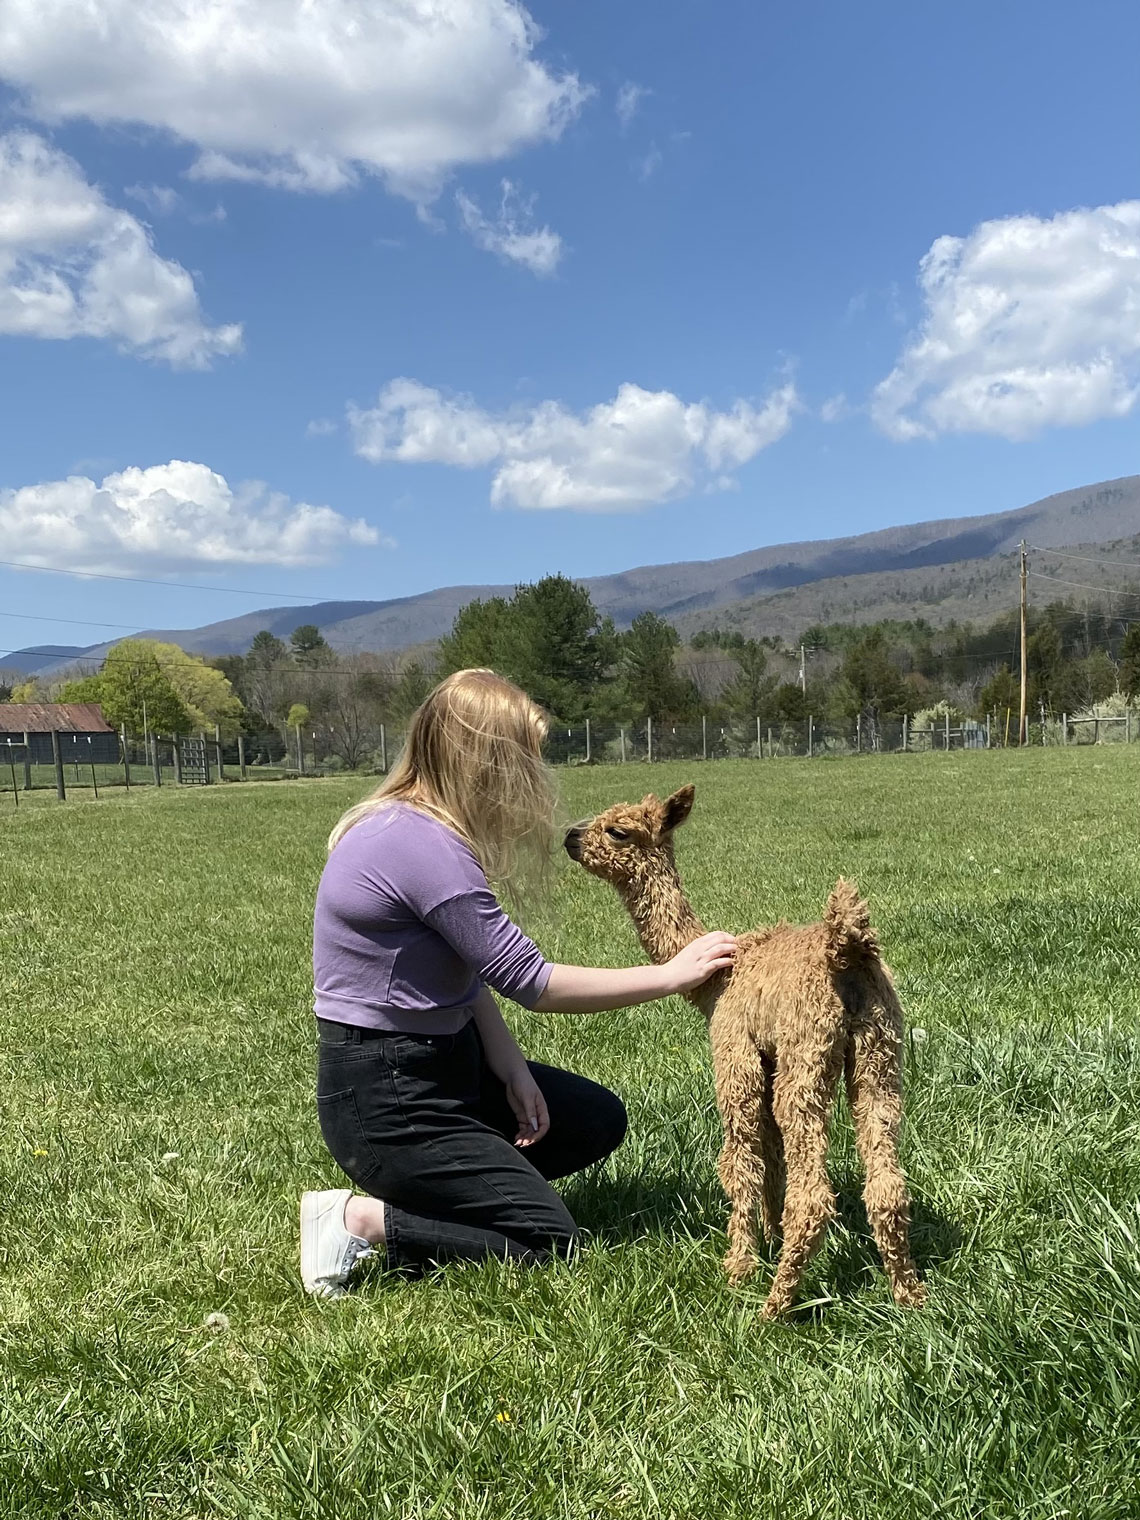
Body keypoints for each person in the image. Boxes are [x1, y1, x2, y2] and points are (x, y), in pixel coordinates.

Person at [301, 668, 737, 1298]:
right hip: (386, 1098)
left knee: (592, 1119)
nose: (534, 781)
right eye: (524, 762)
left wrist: (510, 1067)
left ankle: (463, 1193)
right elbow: (529, 981)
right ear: (483, 761)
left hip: (443, 1067)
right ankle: (357, 1218)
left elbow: (466, 976)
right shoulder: (420, 847)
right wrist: (671, 976)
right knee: (546, 1241)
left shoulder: (411, 826)